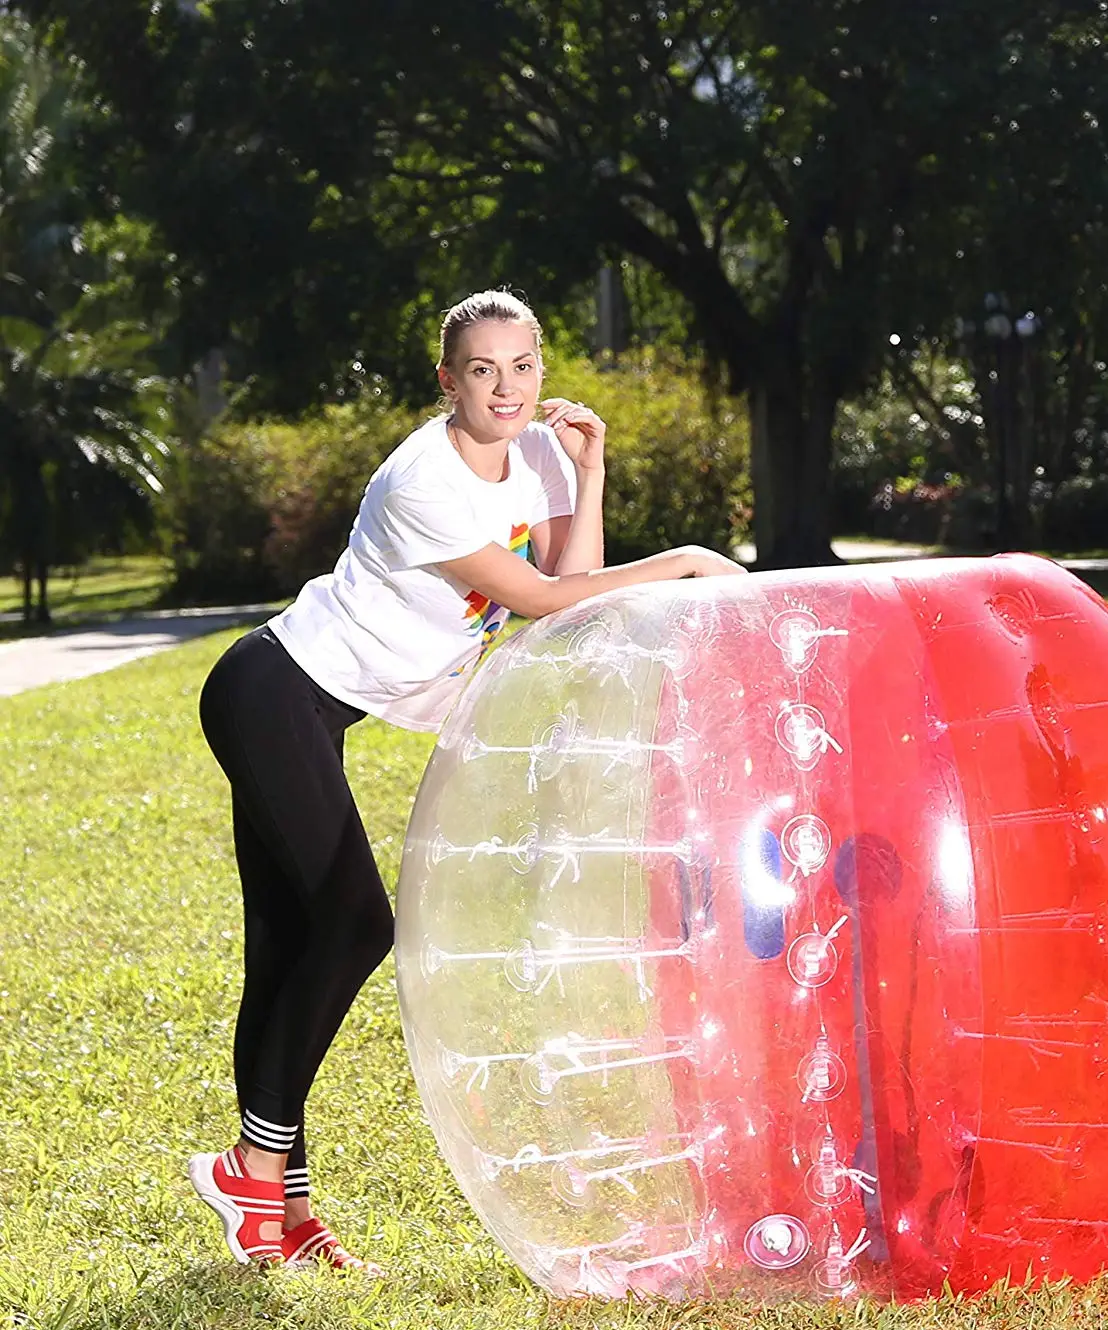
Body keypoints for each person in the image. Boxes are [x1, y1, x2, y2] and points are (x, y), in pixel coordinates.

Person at [189, 288, 745, 1272]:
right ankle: (250, 1171)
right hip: (271, 691)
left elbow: (574, 592)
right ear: (449, 380)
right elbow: (535, 597)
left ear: (541, 368)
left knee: (286, 946)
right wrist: (689, 561)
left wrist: (592, 469)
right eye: (483, 370)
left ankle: (280, 1217)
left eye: (523, 366)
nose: (506, 387)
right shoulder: (422, 480)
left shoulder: (537, 452)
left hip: (314, 708)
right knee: (357, 922)